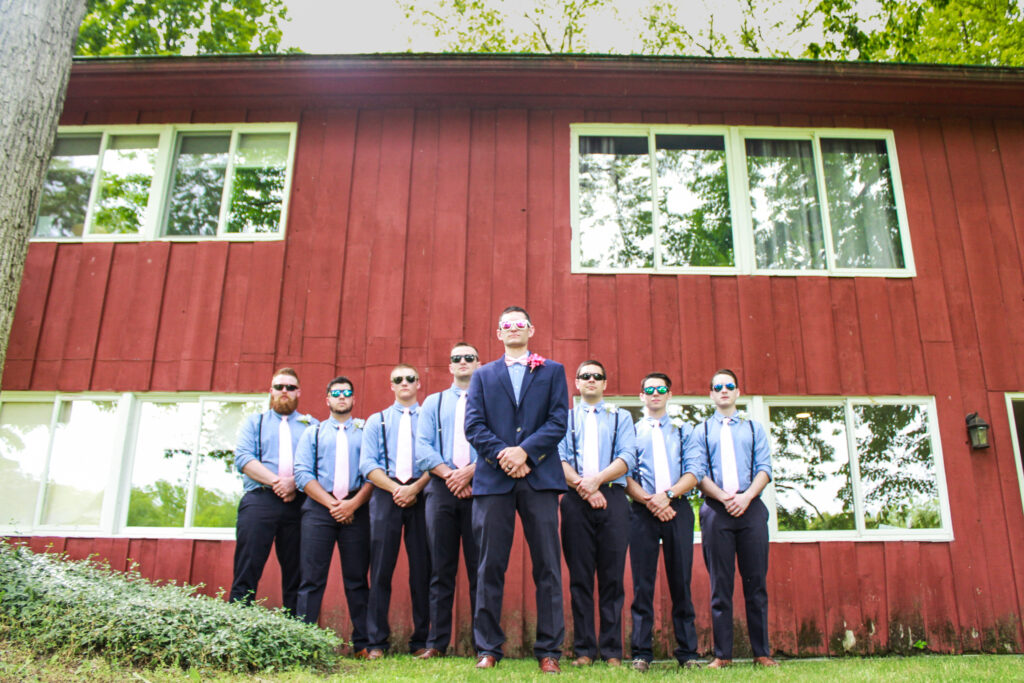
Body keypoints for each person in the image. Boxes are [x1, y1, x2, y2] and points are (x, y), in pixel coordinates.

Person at [464, 306, 569, 674]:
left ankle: (550, 650)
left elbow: (558, 422)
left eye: (519, 324)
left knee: (548, 566)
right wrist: (504, 456)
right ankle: (488, 647)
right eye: (506, 325)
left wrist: (526, 452)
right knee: (489, 565)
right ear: (498, 333)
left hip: (539, 478)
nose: (513, 329)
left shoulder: (553, 371)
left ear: (530, 330)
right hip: (494, 480)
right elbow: (473, 425)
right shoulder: (482, 375)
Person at [688, 369, 778, 668]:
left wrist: (745, 496)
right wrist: (724, 497)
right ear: (711, 394)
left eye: (729, 386)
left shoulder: (754, 429)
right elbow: (697, 471)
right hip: (716, 511)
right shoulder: (700, 431)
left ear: (737, 392)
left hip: (750, 507)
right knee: (720, 584)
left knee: (756, 584)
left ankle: (761, 653)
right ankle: (722, 655)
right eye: (717, 387)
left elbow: (764, 468)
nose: (723, 390)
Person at [558, 360, 636, 667]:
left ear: (605, 383)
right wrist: (584, 488)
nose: (591, 380)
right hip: (575, 499)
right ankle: (584, 651)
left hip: (614, 498)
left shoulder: (621, 417)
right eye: (585, 376)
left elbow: (627, 456)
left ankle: (613, 651)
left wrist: (596, 482)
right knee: (580, 578)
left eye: (597, 376)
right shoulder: (563, 419)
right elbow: (559, 458)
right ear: (577, 383)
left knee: (612, 578)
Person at [625, 372, 703, 672]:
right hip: (642, 511)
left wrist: (667, 496)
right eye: (649, 390)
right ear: (641, 396)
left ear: (669, 394)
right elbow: (625, 473)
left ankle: (688, 653)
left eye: (661, 389)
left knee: (681, 582)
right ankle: (642, 653)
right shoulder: (630, 432)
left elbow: (694, 470)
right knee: (642, 584)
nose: (655, 394)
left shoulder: (685, 431)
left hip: (678, 509)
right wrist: (650, 501)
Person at [293, 376, 373, 656]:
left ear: (353, 399)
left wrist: (351, 505)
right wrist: (333, 505)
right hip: (319, 509)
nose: (342, 397)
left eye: (347, 393)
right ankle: (304, 643)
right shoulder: (312, 433)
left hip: (356, 509)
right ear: (327, 399)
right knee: (311, 579)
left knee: (357, 579)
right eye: (336, 393)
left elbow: (372, 473)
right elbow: (302, 473)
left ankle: (364, 644)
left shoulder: (365, 432)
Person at [359, 364, 432, 659]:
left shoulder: (430, 417)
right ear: (391, 385)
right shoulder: (377, 421)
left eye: (410, 378)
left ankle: (422, 641)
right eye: (398, 379)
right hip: (386, 495)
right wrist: (395, 489)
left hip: (422, 493)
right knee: (380, 571)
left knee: (423, 571)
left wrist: (414, 489)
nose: (404, 383)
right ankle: (376, 642)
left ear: (418, 384)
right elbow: (368, 464)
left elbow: (437, 457)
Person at [414, 343, 482, 659]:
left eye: (469, 358)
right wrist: (450, 475)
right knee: (440, 569)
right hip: (441, 489)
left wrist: (469, 473)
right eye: (457, 358)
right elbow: (423, 446)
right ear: (450, 366)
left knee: (480, 569)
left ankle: (486, 645)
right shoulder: (433, 402)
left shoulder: (491, 400)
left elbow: (498, 444)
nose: (463, 362)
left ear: (478, 364)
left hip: (480, 487)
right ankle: (436, 643)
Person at [230, 367, 318, 612]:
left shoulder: (311, 426)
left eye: (290, 387)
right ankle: (238, 628)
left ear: (298, 392)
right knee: (247, 568)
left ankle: (296, 636)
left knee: (298, 573)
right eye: (279, 387)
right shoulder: (254, 423)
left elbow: (319, 464)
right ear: (271, 391)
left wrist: (295, 484)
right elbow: (244, 459)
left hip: (300, 504)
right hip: (260, 501)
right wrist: (278, 482)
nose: (284, 391)